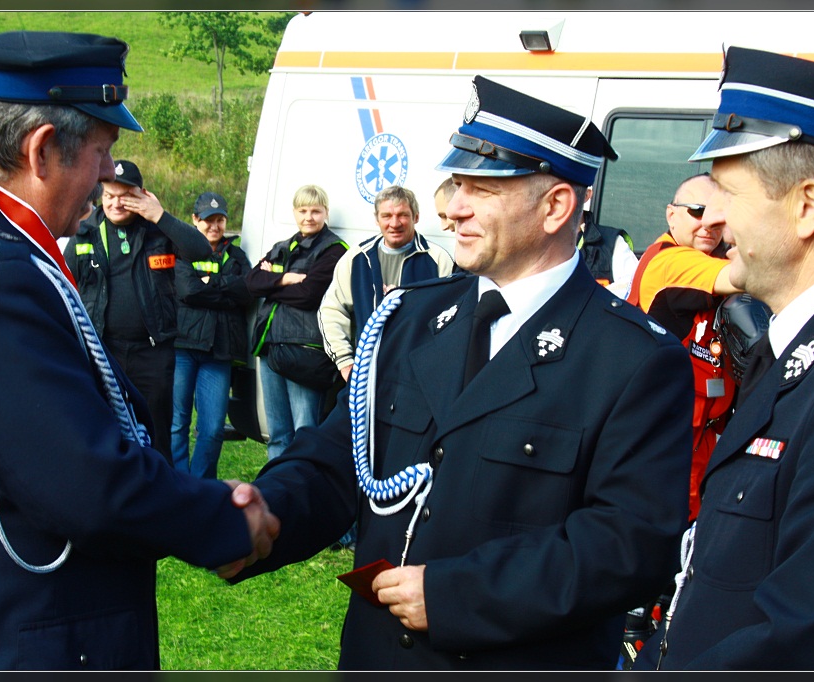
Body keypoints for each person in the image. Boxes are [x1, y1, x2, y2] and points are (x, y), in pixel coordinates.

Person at [228, 75, 695, 670]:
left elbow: (627, 546)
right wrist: (262, 514)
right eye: (456, 185)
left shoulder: (634, 358)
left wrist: (458, 595)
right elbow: (340, 459)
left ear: (556, 206)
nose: (452, 208)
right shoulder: (409, 317)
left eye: (482, 188)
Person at [0, 30, 278, 670]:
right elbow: (83, 482)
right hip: (1, 647)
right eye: (103, 151)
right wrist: (221, 519)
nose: (108, 174)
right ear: (42, 150)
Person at [637, 46, 814, 671]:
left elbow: (800, 637)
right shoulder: (792, 350)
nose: (717, 220)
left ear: (807, 207)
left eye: (729, 192)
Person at [63, 159, 212, 462]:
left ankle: (160, 489)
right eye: (109, 195)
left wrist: (159, 215)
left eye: (126, 196)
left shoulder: (158, 231)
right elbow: (65, 286)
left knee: (156, 436)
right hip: (104, 352)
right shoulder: (86, 232)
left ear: (142, 195)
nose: (116, 203)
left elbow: (201, 250)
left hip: (152, 353)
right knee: (105, 434)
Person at [627, 173, 743, 522]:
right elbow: (741, 276)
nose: (709, 223)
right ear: (671, 215)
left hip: (701, 440)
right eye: (697, 211)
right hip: (660, 445)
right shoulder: (669, 261)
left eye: (719, 215)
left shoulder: (708, 258)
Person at [245, 184, 347, 461]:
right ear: (294, 212)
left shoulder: (334, 250)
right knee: (278, 433)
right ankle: (276, 483)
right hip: (269, 348)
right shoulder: (283, 247)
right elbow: (251, 282)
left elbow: (309, 295)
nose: (309, 217)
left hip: (305, 353)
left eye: (315, 211)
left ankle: (302, 484)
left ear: (326, 212)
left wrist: (271, 285)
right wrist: (286, 279)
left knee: (305, 432)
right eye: (302, 211)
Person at [319, 184, 454, 383]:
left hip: (418, 379)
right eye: (386, 216)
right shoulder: (357, 258)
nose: (394, 223)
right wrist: (346, 362)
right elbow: (331, 310)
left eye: (402, 215)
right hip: (368, 377)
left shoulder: (438, 259)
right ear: (377, 219)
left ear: (416, 217)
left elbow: (452, 320)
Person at [170, 191, 252, 479]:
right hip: (183, 347)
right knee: (177, 423)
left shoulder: (236, 256)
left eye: (220, 220)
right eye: (208, 220)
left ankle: (201, 486)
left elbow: (246, 292)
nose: (214, 226)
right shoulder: (181, 250)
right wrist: (226, 289)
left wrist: (210, 283)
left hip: (219, 351)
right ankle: (178, 484)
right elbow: (188, 291)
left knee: (213, 427)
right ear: (195, 220)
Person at [577, 187, 638, 298]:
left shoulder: (613, 242)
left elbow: (633, 287)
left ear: (587, 195)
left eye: (570, 189)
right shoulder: (542, 243)